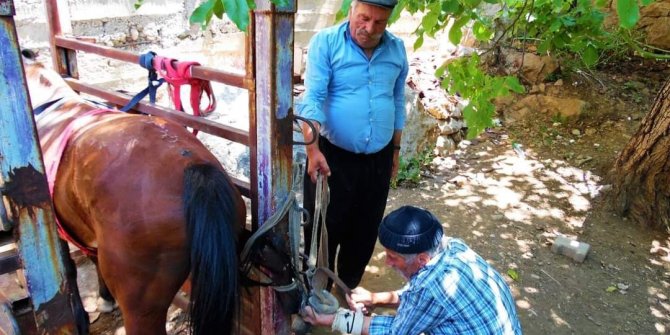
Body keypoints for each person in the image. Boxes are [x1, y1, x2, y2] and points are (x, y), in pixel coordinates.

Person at [297, 0, 409, 290]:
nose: (370, 28)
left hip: (379, 159)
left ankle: (348, 287)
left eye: (379, 23)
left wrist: (395, 151)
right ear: (351, 9)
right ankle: (317, 290)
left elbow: (397, 100)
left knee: (364, 227)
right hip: (333, 156)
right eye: (364, 18)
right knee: (324, 226)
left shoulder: (396, 49)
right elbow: (313, 98)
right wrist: (312, 150)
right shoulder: (326, 43)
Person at [301, 206, 523, 335]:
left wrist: (333, 319)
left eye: (393, 257)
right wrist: (374, 298)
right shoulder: (452, 247)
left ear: (422, 259)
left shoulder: (432, 288)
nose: (387, 263)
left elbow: (395, 331)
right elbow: (419, 295)